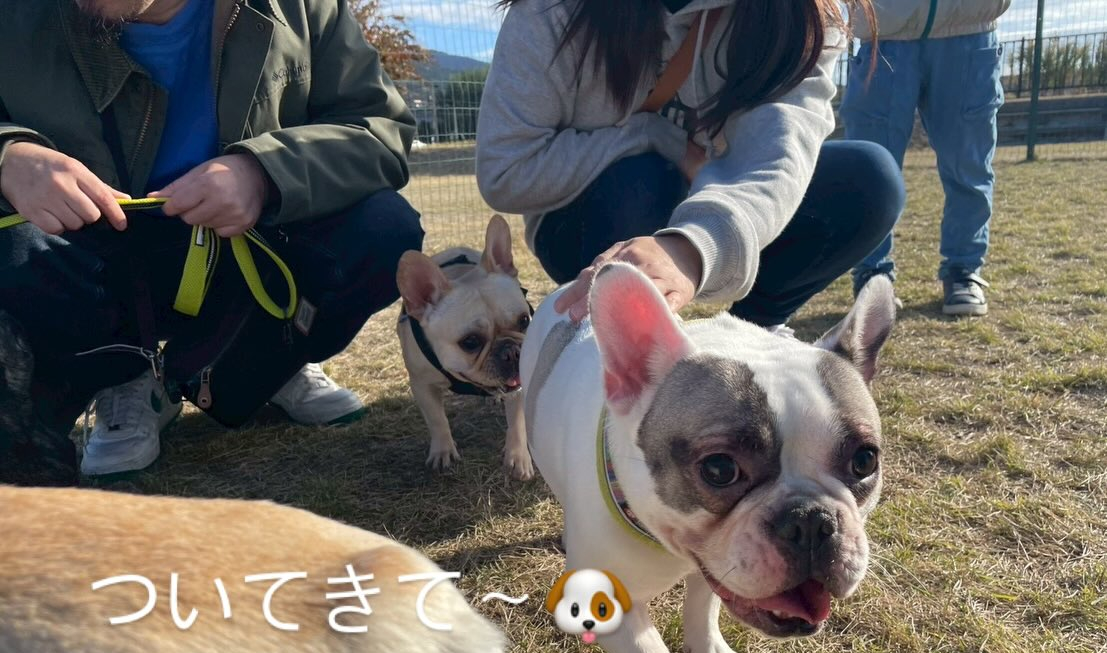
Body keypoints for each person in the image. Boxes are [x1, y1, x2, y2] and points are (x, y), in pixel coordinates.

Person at [0, 0, 423, 483]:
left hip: (251, 249)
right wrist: (10, 155)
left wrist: (264, 172)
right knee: (14, 253)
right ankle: (123, 378)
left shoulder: (304, 8)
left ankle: (255, 367)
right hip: (91, 260)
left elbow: (380, 127)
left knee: (384, 229)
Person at [475, 0, 904, 328]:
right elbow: (505, 169)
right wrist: (653, 137)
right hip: (593, 219)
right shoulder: (552, 12)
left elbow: (778, 152)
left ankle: (748, 331)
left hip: (718, 203)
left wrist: (694, 245)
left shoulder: (803, 15)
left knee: (868, 180)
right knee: (642, 178)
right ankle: (624, 350)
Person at [841, 0, 1011, 316]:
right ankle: (871, 275)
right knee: (870, 170)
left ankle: (963, 270)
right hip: (884, 30)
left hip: (969, 25)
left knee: (968, 167)